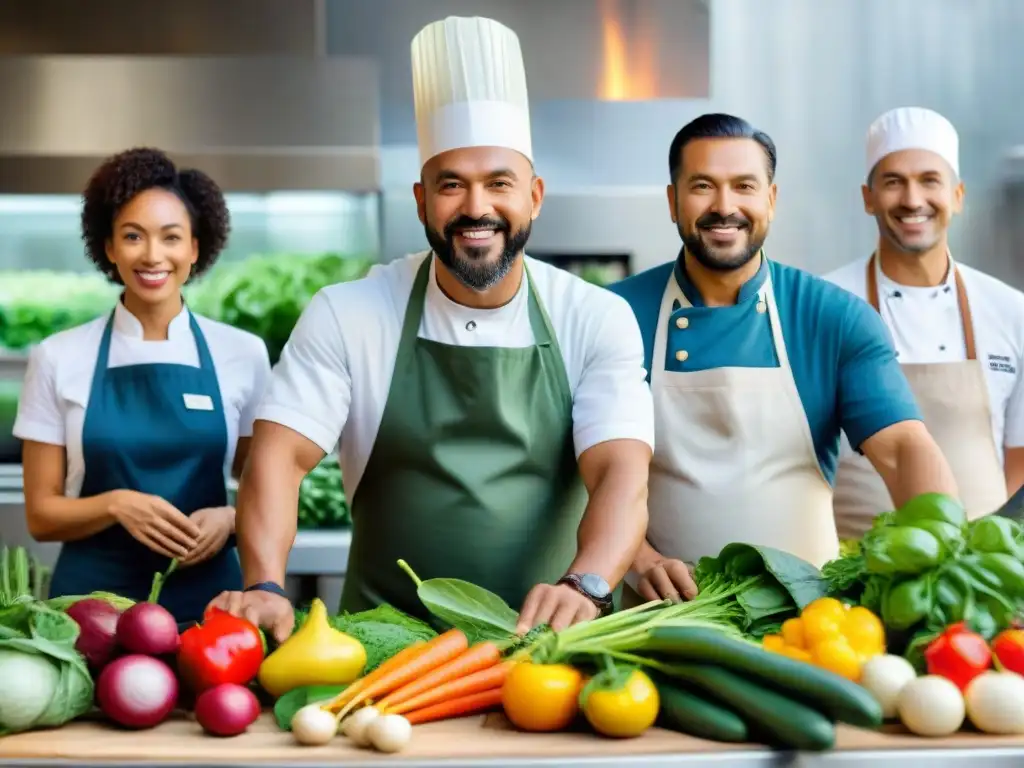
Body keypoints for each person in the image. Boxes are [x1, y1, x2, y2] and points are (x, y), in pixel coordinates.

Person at [209, 16, 655, 643]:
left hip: (551, 647)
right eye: (453, 185)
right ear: (421, 200)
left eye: (499, 183)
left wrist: (586, 584)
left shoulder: (594, 316)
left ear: (535, 195)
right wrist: (264, 585)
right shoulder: (351, 312)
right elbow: (278, 460)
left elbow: (620, 475)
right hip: (383, 648)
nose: (477, 208)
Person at [609, 113, 958, 604]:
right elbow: (583, 477)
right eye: (703, 186)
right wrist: (638, 560)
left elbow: (903, 450)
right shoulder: (615, 315)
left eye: (744, 187)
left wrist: (948, 565)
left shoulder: (832, 317)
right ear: (673, 202)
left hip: (810, 624)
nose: (724, 206)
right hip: (658, 623)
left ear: (771, 201)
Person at [14, 147, 271, 625]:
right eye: (133, 236)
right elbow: (41, 515)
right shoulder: (60, 355)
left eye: (171, 237)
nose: (153, 255)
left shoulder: (243, 353)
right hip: (90, 610)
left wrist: (232, 518)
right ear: (109, 248)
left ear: (195, 248)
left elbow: (267, 485)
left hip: (211, 608)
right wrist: (117, 504)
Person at [824, 107, 1024, 539]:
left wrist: (984, 548)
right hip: (851, 567)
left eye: (930, 180)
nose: (913, 200)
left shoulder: (1012, 312)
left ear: (957, 195)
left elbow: (1019, 457)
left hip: (976, 570)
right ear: (868, 197)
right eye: (893, 181)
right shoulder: (826, 305)